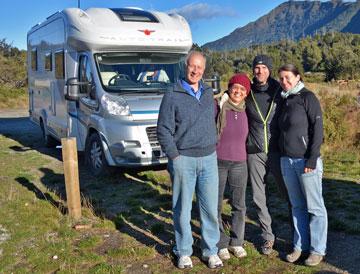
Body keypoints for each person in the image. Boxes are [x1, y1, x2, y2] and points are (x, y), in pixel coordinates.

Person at [157, 51, 223, 269]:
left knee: (209, 208)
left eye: (200, 68)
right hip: (184, 158)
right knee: (182, 208)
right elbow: (163, 130)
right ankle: (183, 251)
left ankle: (210, 250)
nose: (196, 71)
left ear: (204, 69)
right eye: (192, 66)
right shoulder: (172, 94)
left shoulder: (207, 93)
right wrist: (174, 156)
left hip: (209, 158)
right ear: (185, 67)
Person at [277, 64, 327, 266]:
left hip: (306, 161)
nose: (285, 82)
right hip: (286, 161)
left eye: (288, 77)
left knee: (315, 208)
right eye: (281, 78)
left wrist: (312, 158)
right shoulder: (284, 99)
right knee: (297, 206)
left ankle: (317, 250)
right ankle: (300, 247)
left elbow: (318, 129)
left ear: (297, 77)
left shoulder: (308, 97)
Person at [245, 54, 289, 255]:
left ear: (269, 69)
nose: (260, 71)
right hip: (254, 152)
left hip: (277, 151)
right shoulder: (247, 91)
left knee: (288, 193)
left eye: (263, 67)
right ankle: (268, 237)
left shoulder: (280, 90)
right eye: (257, 67)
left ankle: (298, 234)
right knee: (258, 196)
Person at [215, 73, 251, 261]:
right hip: (218, 161)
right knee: (216, 204)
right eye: (235, 87)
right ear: (229, 88)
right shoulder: (218, 105)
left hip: (240, 162)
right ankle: (220, 243)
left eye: (242, 89)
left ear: (246, 94)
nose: (238, 91)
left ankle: (236, 242)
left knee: (239, 204)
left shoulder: (247, 110)